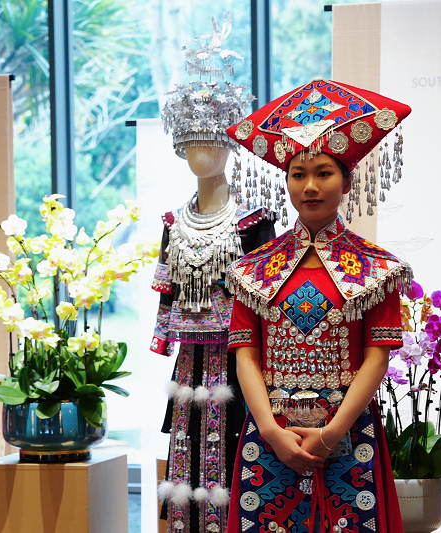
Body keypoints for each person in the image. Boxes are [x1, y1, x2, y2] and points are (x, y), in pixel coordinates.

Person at [223, 80, 412, 533]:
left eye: (324, 173)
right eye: (298, 174)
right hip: (271, 433)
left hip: (347, 432)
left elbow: (377, 358)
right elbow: (245, 355)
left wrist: (331, 435)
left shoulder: (377, 269)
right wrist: (270, 432)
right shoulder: (252, 269)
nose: (310, 186)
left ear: (347, 181)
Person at [153, 15, 278, 533]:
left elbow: (269, 302)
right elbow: (167, 294)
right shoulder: (172, 222)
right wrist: (163, 336)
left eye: (212, 141)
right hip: (189, 360)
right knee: (186, 451)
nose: (201, 152)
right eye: (191, 142)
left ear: (230, 146)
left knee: (236, 450)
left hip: (240, 358)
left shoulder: (254, 222)